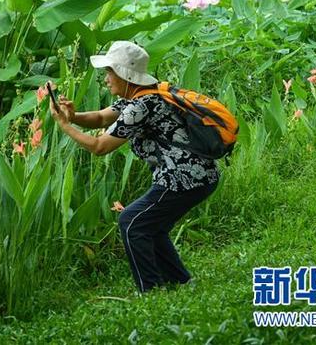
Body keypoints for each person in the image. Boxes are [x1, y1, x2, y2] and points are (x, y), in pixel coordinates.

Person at [48, 40, 220, 294]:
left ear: (125, 75)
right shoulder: (140, 96)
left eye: (109, 72)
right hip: (196, 176)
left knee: (132, 221)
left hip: (183, 179)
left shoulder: (141, 106)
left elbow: (99, 147)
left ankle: (150, 290)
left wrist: (64, 127)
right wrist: (72, 116)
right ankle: (182, 281)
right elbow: (101, 117)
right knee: (151, 225)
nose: (106, 79)